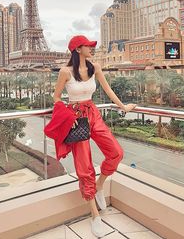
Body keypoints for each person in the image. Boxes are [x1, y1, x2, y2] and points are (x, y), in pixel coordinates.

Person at [52, 35, 137, 238]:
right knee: (84, 168)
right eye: (88, 46)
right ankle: (95, 215)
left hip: (93, 113)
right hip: (76, 117)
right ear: (77, 49)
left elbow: (107, 90)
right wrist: (66, 115)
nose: (92, 48)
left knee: (116, 153)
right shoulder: (65, 71)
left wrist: (123, 107)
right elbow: (56, 97)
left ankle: (99, 186)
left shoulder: (95, 67)